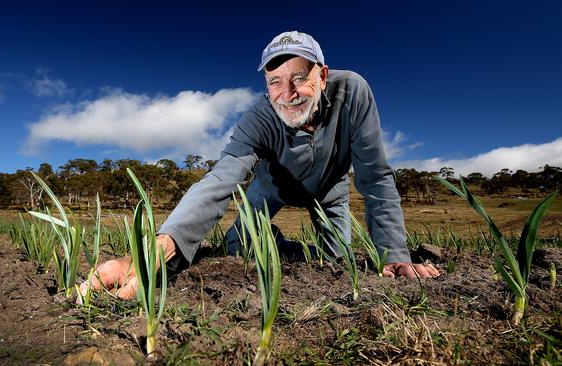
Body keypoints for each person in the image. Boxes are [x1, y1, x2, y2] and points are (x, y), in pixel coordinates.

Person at [81, 31, 439, 300]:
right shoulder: (257, 120)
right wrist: (157, 250)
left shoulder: (354, 93)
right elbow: (219, 181)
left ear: (323, 75)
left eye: (299, 77)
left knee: (337, 263)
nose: (288, 93)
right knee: (237, 249)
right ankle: (277, 244)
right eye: (275, 82)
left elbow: (375, 174)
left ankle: (312, 250)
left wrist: (393, 253)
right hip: (271, 188)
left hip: (330, 193)